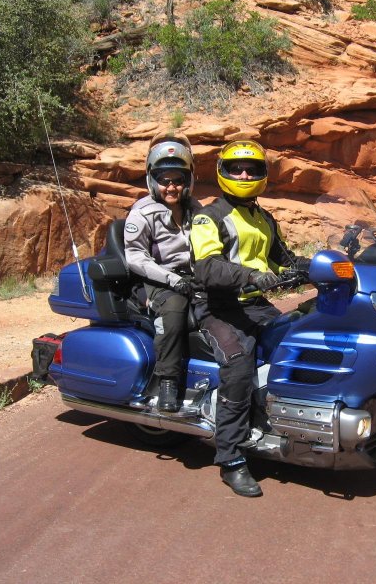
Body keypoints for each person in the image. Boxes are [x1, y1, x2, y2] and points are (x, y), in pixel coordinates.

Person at [190, 140, 310, 497]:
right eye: (237, 168)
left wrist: (325, 266)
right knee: (240, 365)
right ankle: (230, 458)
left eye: (253, 169)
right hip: (216, 306)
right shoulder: (208, 217)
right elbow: (207, 267)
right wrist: (251, 276)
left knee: (294, 343)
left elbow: (284, 260)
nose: (244, 174)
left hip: (254, 306)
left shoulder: (263, 217)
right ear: (222, 172)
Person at [124, 134, 201, 413]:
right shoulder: (143, 212)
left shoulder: (195, 209)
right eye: (164, 180)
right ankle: (167, 379)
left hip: (192, 277)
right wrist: (172, 280)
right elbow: (134, 256)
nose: (171, 186)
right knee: (175, 309)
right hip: (157, 280)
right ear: (152, 180)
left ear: (188, 181)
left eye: (178, 180)